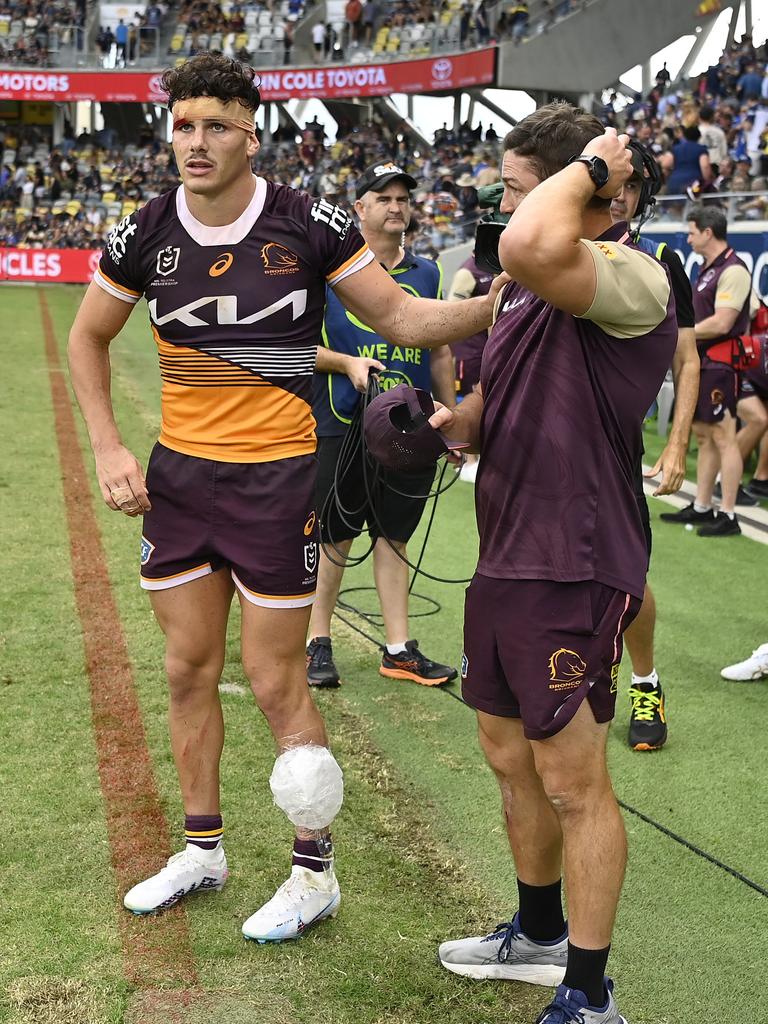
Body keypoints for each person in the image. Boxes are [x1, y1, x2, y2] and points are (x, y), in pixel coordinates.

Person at [68, 54, 502, 940]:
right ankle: (204, 849)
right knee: (187, 669)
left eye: (215, 125)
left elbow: (406, 321)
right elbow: (88, 337)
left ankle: (315, 874)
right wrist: (110, 446)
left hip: (276, 484)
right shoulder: (143, 230)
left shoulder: (310, 221)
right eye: (183, 125)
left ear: (251, 134)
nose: (195, 142)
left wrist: (508, 302)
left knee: (273, 677)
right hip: (179, 482)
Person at [431, 105, 677, 1023]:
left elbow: (535, 245)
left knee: (573, 779)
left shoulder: (629, 274)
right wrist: (447, 427)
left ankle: (590, 990)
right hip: (506, 552)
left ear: (605, 194)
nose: (507, 212)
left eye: (523, 190)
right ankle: (537, 936)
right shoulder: (530, 286)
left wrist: (595, 166)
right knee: (508, 755)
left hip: (575, 556)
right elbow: (492, 406)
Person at [306, 162, 458, 689]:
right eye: (384, 197)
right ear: (360, 209)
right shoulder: (328, 272)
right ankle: (316, 641)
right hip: (342, 421)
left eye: (403, 198)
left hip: (408, 427)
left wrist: (448, 417)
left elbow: (439, 350)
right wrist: (345, 363)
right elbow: (301, 346)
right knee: (335, 534)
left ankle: (398, 649)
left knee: (395, 536)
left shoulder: (429, 273)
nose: (397, 206)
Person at [610, 145, 699, 751]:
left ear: (644, 195)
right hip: (554, 449)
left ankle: (646, 681)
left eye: (631, 185)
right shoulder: (557, 252)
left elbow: (687, 361)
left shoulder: (663, 262)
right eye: (611, 182)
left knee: (629, 578)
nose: (619, 194)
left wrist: (674, 445)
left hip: (617, 449)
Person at [660, 206, 750, 536]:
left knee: (724, 437)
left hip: (722, 363)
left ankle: (728, 513)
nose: (688, 237)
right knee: (704, 435)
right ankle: (702, 505)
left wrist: (682, 333)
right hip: (704, 361)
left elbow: (724, 321)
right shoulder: (707, 268)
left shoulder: (734, 270)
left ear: (708, 233)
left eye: (693, 232)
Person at [446, 248, 494, 484]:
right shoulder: (469, 271)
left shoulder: (496, 267)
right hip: (469, 350)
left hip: (486, 347)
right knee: (467, 397)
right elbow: (453, 311)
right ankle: (469, 462)